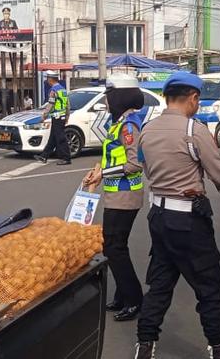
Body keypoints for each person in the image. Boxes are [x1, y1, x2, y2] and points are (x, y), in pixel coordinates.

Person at [135, 71, 220, 359]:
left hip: (158, 217)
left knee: (161, 283)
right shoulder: (195, 130)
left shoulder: (147, 129)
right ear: (192, 98)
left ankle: (145, 344)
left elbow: (144, 165)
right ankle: (218, 350)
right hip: (189, 221)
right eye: (198, 99)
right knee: (209, 286)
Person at [82, 74, 146, 322]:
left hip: (125, 195)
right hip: (115, 192)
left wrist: (103, 174)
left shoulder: (129, 126)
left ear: (120, 97)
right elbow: (113, 156)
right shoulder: (118, 123)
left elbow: (134, 164)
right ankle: (123, 295)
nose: (106, 100)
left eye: (109, 95)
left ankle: (134, 300)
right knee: (116, 247)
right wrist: (99, 170)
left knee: (113, 247)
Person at [35, 71, 71, 165]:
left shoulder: (53, 90)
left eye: (47, 78)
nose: (47, 80)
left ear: (50, 79)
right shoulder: (63, 90)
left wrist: (44, 115)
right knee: (53, 138)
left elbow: (51, 104)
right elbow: (68, 105)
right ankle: (44, 156)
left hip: (57, 117)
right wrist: (67, 116)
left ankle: (66, 158)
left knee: (60, 138)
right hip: (62, 116)